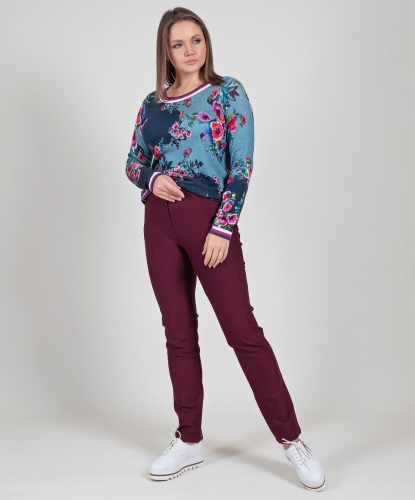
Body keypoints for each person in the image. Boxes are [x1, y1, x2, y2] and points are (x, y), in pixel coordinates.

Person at [125, 6, 325, 492]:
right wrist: (152, 178)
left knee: (242, 331)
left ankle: (292, 440)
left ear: (206, 43)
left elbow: (242, 165)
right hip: (159, 223)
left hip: (208, 222)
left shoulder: (228, 93)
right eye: (178, 44)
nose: (190, 50)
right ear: (166, 52)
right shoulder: (152, 103)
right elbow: (132, 161)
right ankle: (188, 438)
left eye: (196, 40)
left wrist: (223, 228)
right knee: (178, 333)